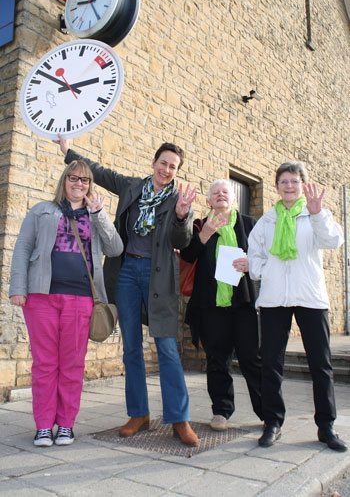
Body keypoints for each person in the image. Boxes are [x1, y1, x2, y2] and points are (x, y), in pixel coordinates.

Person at [58, 137, 199, 446]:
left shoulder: (177, 201)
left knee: (167, 347)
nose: (166, 169)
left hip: (158, 276)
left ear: (177, 171)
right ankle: (139, 414)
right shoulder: (132, 186)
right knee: (131, 346)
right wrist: (68, 150)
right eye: (163, 163)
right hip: (126, 272)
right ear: (154, 163)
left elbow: (181, 241)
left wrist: (180, 215)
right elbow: (99, 172)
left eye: (173, 166)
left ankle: (179, 418)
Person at [9, 161, 123, 447]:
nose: (78, 184)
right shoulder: (41, 211)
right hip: (41, 296)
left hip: (82, 298)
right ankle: (44, 426)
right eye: (73, 178)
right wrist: (17, 288)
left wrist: (100, 214)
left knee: (71, 364)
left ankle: (66, 425)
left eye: (84, 180)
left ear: (89, 186)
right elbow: (23, 248)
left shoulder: (94, 215)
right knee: (45, 363)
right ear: (64, 180)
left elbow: (115, 248)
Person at [248, 161, 347, 452]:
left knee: (321, 364)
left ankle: (326, 426)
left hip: (311, 299)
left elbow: (333, 241)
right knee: (271, 364)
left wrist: (317, 214)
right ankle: (273, 422)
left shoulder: (315, 214)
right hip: (274, 299)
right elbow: (254, 257)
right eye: (284, 182)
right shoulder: (267, 221)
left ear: (302, 185)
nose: (289, 186)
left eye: (294, 181)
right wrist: (266, 272)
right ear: (277, 186)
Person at [180, 179, 262, 431]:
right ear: (208, 201)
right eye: (214, 193)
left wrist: (251, 263)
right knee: (217, 360)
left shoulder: (250, 225)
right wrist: (203, 236)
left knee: (252, 358)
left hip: (243, 303)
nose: (220, 195)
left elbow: (265, 256)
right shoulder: (198, 226)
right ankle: (221, 412)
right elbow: (186, 255)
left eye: (225, 192)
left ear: (233, 198)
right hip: (211, 306)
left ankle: (267, 411)